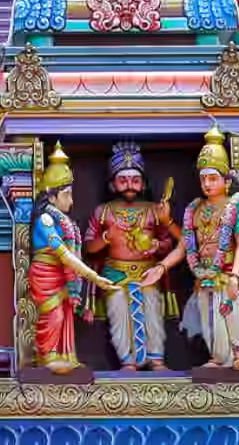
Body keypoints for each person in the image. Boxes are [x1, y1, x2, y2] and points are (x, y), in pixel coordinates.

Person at [18, 141, 116, 373]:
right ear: (52, 197)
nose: (71, 202)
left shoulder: (65, 220)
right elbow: (63, 254)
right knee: (55, 315)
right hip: (46, 274)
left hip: (61, 275)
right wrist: (93, 276)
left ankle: (65, 354)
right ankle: (48, 357)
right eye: (67, 195)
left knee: (65, 316)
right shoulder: (45, 220)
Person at [85, 141, 181, 370]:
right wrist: (106, 238)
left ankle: (156, 360)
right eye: (123, 180)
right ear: (112, 183)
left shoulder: (153, 210)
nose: (130, 185)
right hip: (115, 274)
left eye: (135, 180)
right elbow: (88, 248)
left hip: (148, 273)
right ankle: (128, 361)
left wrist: (157, 245)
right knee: (119, 318)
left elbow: (170, 243)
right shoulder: (103, 212)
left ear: (143, 183)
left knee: (153, 316)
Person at [179, 128, 239, 370]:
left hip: (228, 274)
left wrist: (235, 274)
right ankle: (217, 356)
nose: (207, 184)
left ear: (226, 181)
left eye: (213, 178)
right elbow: (183, 246)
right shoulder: (194, 210)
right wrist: (162, 267)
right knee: (209, 319)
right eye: (203, 178)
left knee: (231, 311)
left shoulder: (238, 206)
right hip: (204, 275)